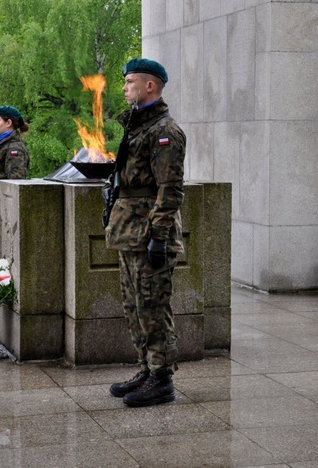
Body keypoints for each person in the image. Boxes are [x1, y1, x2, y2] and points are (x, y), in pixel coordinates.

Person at [104, 58, 186, 407]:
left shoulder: (165, 131)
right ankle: (147, 369)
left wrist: (159, 235)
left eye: (130, 82)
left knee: (153, 308)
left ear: (149, 86)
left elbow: (170, 189)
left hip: (149, 232)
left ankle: (162, 380)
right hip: (129, 230)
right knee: (134, 306)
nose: (124, 88)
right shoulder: (139, 126)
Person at [0, 105, 30, 253]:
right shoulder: (0, 144)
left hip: (3, 208)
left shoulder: (14, 148)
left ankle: (7, 276)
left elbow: (16, 182)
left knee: (6, 250)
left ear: (8, 123)